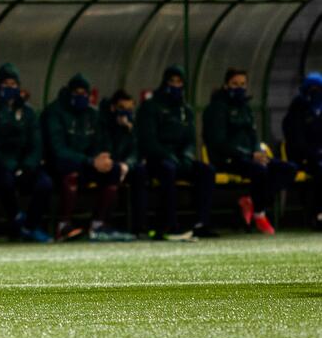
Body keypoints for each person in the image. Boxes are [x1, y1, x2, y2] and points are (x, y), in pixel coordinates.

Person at [203, 68, 296, 235]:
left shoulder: (246, 107)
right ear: (226, 85)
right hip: (227, 159)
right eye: (234, 84)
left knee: (288, 169)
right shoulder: (217, 108)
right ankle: (259, 214)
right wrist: (249, 155)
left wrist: (256, 152)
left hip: (250, 157)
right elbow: (219, 142)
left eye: (243, 84)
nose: (239, 88)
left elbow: (253, 135)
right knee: (259, 171)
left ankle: (251, 201)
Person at [42, 74, 127, 241]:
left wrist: (103, 158)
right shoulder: (54, 112)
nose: (81, 97)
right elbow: (58, 150)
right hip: (60, 165)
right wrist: (91, 161)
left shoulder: (93, 114)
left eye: (84, 93)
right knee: (69, 171)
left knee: (114, 170)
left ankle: (98, 225)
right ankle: (63, 226)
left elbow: (102, 142)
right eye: (77, 92)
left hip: (88, 164)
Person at [136, 65, 215, 240]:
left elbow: (190, 138)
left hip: (180, 158)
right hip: (156, 159)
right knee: (167, 170)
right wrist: (166, 154)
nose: (176, 85)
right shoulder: (150, 107)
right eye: (172, 81)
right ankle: (169, 224)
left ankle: (202, 223)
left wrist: (186, 155)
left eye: (179, 82)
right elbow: (148, 140)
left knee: (206, 171)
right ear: (164, 82)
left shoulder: (185, 110)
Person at [0, 63, 52, 242]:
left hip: (24, 165)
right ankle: (16, 220)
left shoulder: (28, 112)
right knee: (5, 181)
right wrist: (10, 166)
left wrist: (27, 166)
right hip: (0, 166)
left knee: (44, 183)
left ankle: (30, 226)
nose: (10, 88)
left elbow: (36, 143)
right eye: (6, 84)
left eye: (13, 84)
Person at [99, 90, 148, 237]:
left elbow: (136, 152)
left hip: (124, 166)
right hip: (107, 165)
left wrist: (127, 164)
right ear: (113, 108)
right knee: (112, 170)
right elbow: (105, 149)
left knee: (140, 171)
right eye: (122, 108)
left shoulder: (132, 126)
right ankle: (103, 224)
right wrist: (117, 129)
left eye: (129, 109)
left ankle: (139, 228)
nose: (126, 112)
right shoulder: (103, 122)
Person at [283, 71, 322, 229]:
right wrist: (313, 154)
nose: (315, 92)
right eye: (311, 88)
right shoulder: (297, 109)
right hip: (303, 158)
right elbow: (296, 140)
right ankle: (318, 214)